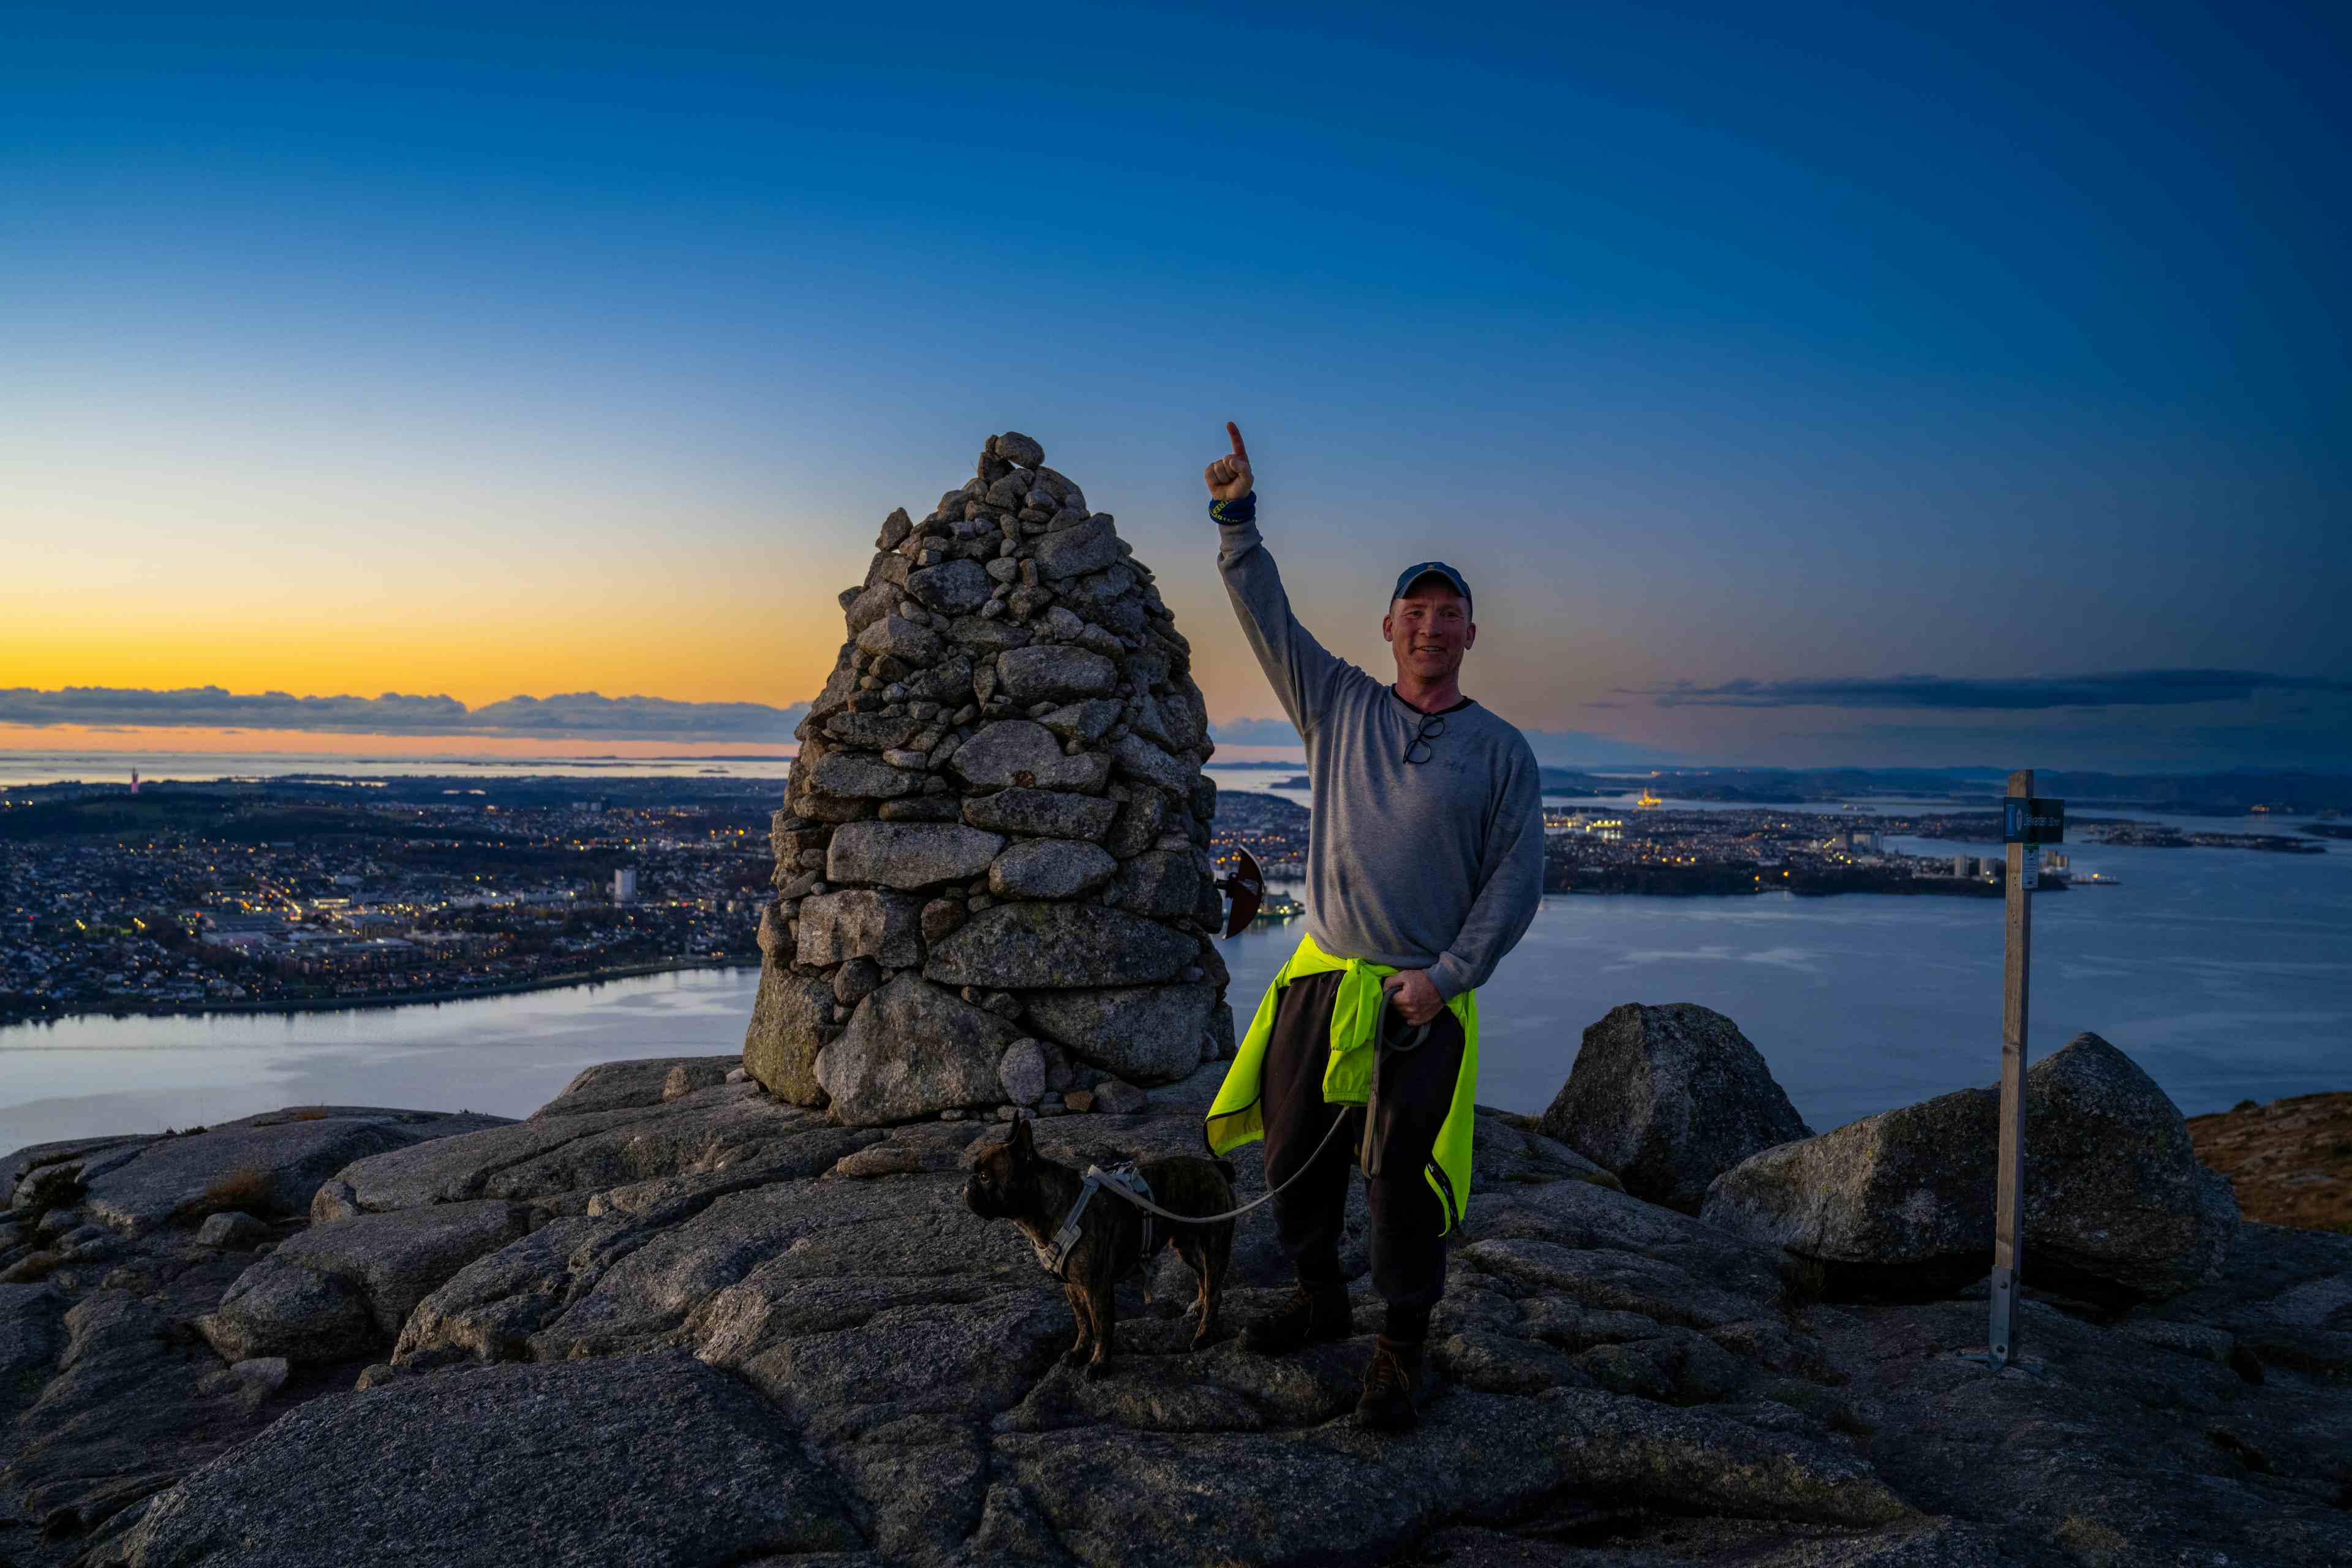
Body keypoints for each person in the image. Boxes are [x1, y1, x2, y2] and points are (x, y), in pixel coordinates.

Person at [1200, 421, 1544, 1431]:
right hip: (1324, 975)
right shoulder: (1337, 704)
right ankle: (1319, 1298)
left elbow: (1516, 883)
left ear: (1472, 636)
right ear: (1389, 627)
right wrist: (1236, 520)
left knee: (1401, 1177)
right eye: (1417, 613)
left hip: (1423, 997)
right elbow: (1268, 618)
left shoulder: (1502, 753)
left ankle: (1399, 1346)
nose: (1432, 628)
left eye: (1451, 616)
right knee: (1292, 1152)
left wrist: (1447, 977)